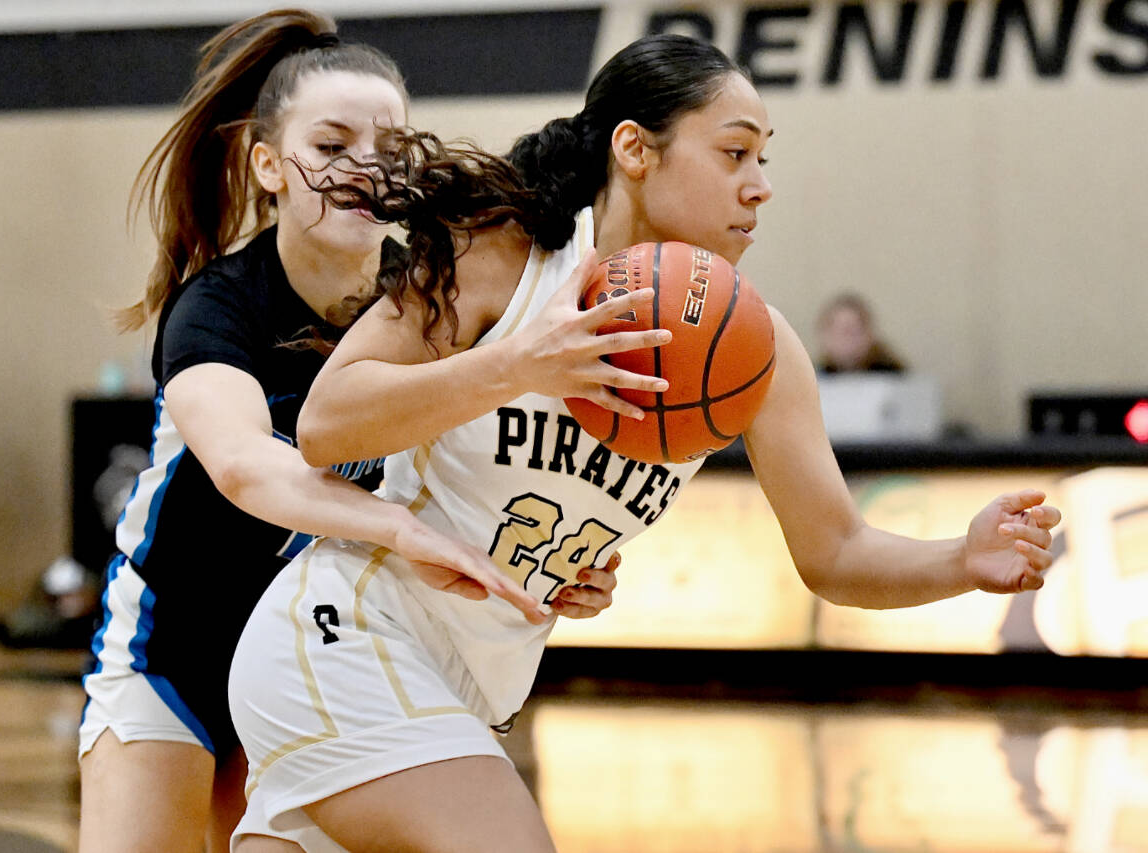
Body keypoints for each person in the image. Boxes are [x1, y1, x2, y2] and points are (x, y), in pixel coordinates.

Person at [227, 33, 1062, 853]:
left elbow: (836, 551)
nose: (760, 186)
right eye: (734, 154)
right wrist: (515, 366)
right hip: (348, 635)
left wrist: (961, 557)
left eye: (765, 159)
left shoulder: (758, 349)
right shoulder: (507, 253)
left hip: (470, 685)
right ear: (634, 148)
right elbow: (326, 425)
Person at [76, 11, 624, 853]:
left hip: (316, 650)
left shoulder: (431, 300)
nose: (364, 168)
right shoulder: (218, 306)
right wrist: (397, 528)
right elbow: (247, 469)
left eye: (389, 144)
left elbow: (489, 467)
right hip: (174, 647)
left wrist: (552, 561)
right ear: (269, 167)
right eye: (331, 146)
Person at [815, 292, 905, 373]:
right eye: (841, 332)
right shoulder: (813, 378)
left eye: (854, 331)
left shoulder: (893, 376)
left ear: (869, 334)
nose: (848, 340)